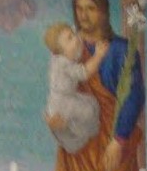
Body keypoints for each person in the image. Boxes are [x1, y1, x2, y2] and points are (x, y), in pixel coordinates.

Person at [47, 0, 145, 171]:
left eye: (90, 8)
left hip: (110, 142)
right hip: (79, 147)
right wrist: (57, 123)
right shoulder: (66, 50)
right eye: (79, 9)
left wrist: (119, 139)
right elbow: (59, 95)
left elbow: (134, 95)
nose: (84, 15)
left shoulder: (121, 49)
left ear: (103, 12)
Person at [43, 22, 109, 154]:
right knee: (88, 111)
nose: (76, 38)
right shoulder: (63, 64)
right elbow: (84, 72)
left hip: (60, 100)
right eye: (70, 38)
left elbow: (72, 48)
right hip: (63, 103)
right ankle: (78, 138)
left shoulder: (59, 56)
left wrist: (77, 36)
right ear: (59, 50)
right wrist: (98, 55)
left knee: (91, 104)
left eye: (73, 34)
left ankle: (84, 132)